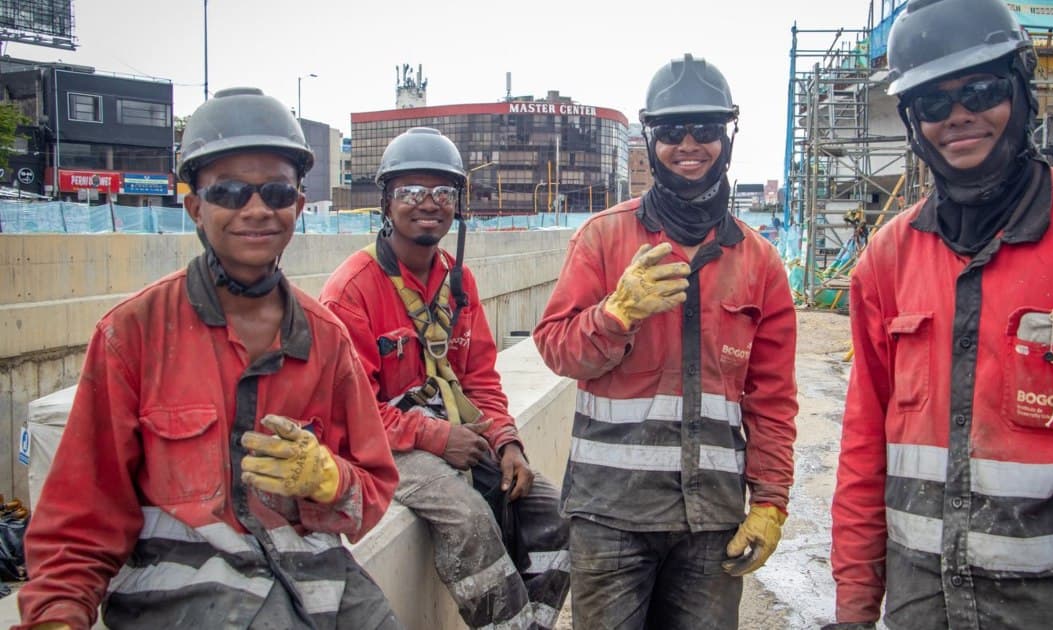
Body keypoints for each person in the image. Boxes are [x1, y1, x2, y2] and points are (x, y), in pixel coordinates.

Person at [826, 1, 1053, 628]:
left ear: (1021, 89)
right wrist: (854, 609)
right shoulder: (888, 259)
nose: (959, 117)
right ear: (914, 122)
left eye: (980, 88)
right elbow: (864, 451)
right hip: (925, 608)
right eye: (932, 105)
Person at [15, 87, 402, 630]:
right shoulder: (134, 335)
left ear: (297, 204)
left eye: (275, 191)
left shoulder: (326, 340)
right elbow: (79, 520)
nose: (257, 209)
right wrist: (58, 615)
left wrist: (327, 479)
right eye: (230, 193)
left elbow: (375, 492)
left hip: (318, 584)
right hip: (180, 596)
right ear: (195, 206)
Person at [532, 53, 799, 629]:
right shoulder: (603, 239)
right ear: (651, 138)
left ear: (726, 137)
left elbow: (771, 398)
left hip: (711, 521)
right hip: (610, 515)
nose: (689, 144)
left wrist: (771, 502)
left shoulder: (759, 261)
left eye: (705, 130)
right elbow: (556, 348)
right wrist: (616, 314)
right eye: (672, 131)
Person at [319, 127, 569, 630]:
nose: (427, 204)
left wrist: (507, 442)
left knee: (552, 514)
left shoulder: (459, 283)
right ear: (387, 203)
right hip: (385, 445)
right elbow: (354, 410)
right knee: (469, 519)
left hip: (450, 433)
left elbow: (479, 378)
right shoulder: (351, 292)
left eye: (442, 193)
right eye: (411, 192)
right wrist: (436, 437)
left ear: (459, 204)